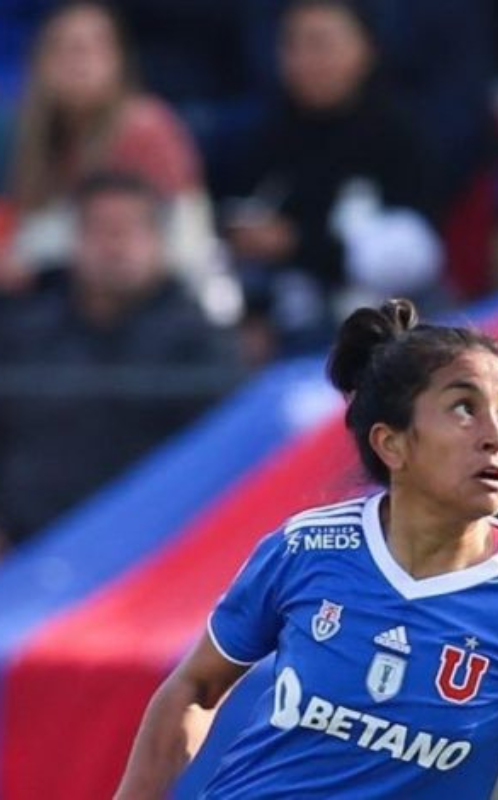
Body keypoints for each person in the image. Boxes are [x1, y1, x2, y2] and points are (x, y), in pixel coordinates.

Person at [116, 298, 498, 798]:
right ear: (392, 444)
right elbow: (194, 689)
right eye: (465, 408)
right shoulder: (306, 548)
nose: (497, 436)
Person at [0, 170, 240, 553]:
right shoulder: (21, 334)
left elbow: (224, 463)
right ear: (74, 240)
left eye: (131, 228)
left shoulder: (200, 344)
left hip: (155, 560)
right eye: (99, 229)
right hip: (27, 555)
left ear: (160, 241)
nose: (114, 244)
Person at [223, 0, 444, 361]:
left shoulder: (399, 136)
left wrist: (296, 245)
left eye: (320, 44)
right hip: (278, 326)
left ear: (365, 50)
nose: (304, 60)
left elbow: (413, 253)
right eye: (292, 45)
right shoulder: (256, 137)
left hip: (380, 327)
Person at [2, 1, 229, 319]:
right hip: (59, 302)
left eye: (91, 49)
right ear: (39, 62)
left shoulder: (147, 127)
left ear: (118, 60)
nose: (77, 62)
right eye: (64, 49)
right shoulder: (26, 134)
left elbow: (186, 239)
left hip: (149, 300)